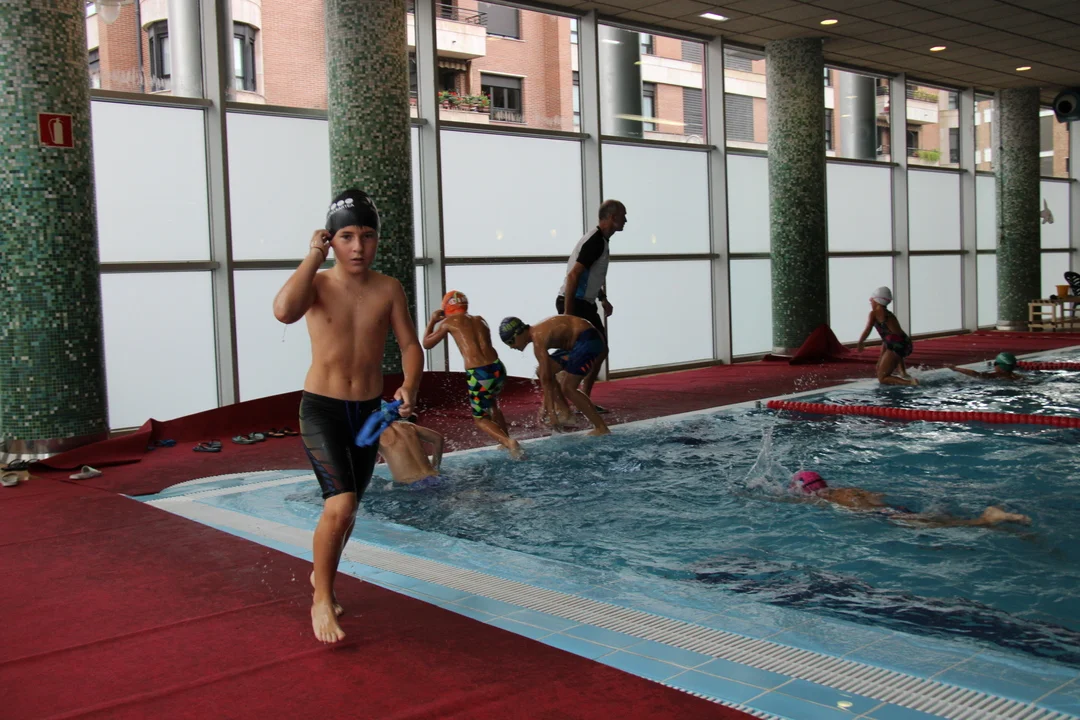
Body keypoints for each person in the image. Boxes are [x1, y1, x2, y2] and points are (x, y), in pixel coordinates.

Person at [272, 188, 424, 645]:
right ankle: (321, 598)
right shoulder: (317, 284)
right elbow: (283, 312)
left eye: (367, 236)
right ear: (331, 240)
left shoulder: (388, 288)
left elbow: (410, 345)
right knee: (338, 505)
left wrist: (410, 385)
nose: (359, 247)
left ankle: (323, 580)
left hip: (369, 413)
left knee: (350, 508)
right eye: (347, 237)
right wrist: (311, 257)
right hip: (322, 408)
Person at [422, 290, 523, 459]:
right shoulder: (479, 319)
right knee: (492, 403)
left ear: (446, 308)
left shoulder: (448, 322)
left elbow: (427, 344)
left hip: (479, 373)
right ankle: (505, 440)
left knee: (480, 418)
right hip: (497, 368)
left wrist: (433, 321)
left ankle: (509, 442)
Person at [555, 199, 627, 411]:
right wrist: (568, 316)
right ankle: (560, 388)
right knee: (587, 349)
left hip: (584, 303)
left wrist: (602, 298)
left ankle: (582, 399)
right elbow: (573, 276)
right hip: (574, 303)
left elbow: (592, 275)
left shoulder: (601, 240)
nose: (626, 220)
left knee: (600, 349)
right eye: (623, 215)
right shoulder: (595, 241)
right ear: (612, 217)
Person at [789, 471, 1031, 528]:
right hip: (893, 508)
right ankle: (990, 519)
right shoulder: (847, 489)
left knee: (950, 525)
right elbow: (878, 495)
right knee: (940, 520)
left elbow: (791, 500)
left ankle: (987, 518)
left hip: (888, 515)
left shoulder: (820, 500)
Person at [499, 315, 610, 436]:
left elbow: (546, 380)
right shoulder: (537, 335)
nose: (511, 347)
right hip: (578, 344)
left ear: (519, 333)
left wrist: (550, 412)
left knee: (568, 388)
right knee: (541, 371)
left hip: (589, 341)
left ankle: (601, 427)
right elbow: (545, 376)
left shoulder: (538, 337)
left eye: (510, 342)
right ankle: (566, 413)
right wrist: (546, 408)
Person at [855, 286, 918, 387]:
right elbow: (888, 340)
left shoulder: (874, 313)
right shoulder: (889, 314)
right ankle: (903, 373)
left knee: (883, 378)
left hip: (896, 345)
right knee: (893, 355)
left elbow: (868, 330)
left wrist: (861, 341)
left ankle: (911, 383)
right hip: (905, 343)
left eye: (872, 300)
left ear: (877, 301)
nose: (870, 302)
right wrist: (880, 360)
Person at [377, 416, 448, 490]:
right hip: (437, 478)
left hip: (414, 486)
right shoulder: (407, 425)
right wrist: (435, 467)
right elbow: (438, 439)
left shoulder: (376, 436)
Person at [948, 352, 1023, 381]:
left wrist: (955, 368)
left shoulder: (994, 376)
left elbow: (975, 374)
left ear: (1000, 366)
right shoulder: (1018, 377)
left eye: (995, 363)